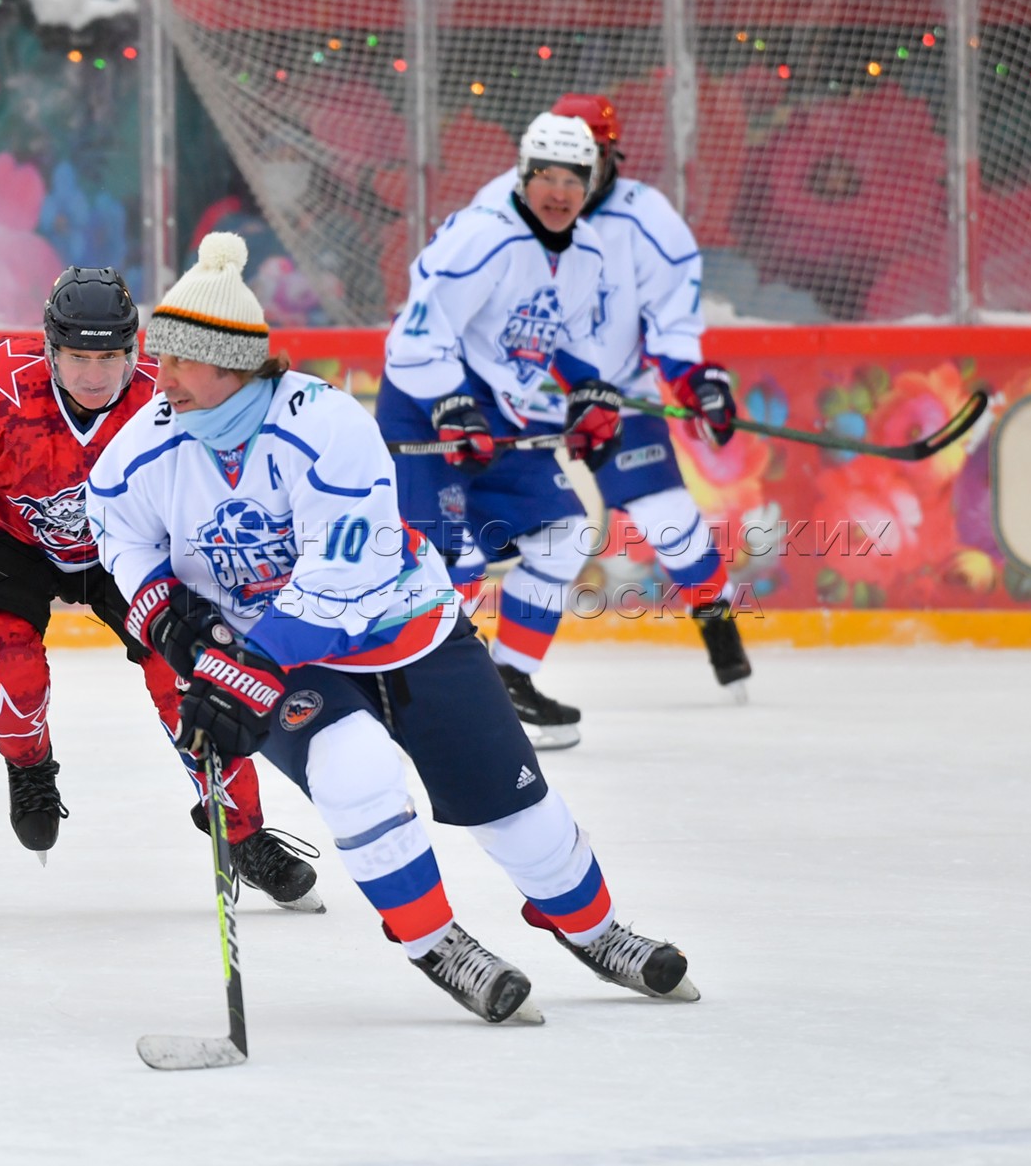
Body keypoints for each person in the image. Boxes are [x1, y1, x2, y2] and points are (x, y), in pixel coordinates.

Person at [87, 231, 697, 1024]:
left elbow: (340, 578)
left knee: (515, 813)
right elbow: (119, 537)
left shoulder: (326, 424)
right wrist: (170, 621)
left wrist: (240, 671)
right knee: (356, 774)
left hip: (401, 625)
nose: (157, 379)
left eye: (176, 361)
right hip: (283, 658)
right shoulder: (143, 450)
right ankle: (437, 942)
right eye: (156, 358)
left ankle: (591, 928)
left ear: (231, 364)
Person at [0, 266, 322, 911]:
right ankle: (29, 765)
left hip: (131, 546)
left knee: (190, 677)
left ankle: (240, 828)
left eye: (109, 357)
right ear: (51, 349)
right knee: (8, 671)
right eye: (79, 357)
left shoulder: (169, 400)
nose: (94, 375)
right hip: (10, 541)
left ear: (135, 351)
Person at [472, 93, 752, 701]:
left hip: (614, 395)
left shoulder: (647, 218)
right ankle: (500, 676)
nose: (566, 181)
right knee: (514, 540)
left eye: (586, 161)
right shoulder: (496, 208)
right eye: (550, 167)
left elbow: (671, 319)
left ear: (610, 156)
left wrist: (694, 379)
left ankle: (717, 618)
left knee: (668, 521)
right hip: (521, 402)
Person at [375, 111, 625, 750]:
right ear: (523, 174)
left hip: (503, 415)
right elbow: (412, 342)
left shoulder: (588, 250)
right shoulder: (486, 238)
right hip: (429, 408)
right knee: (453, 559)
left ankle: (509, 680)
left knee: (566, 536)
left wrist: (589, 391)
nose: (560, 191)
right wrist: (452, 406)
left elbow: (563, 338)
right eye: (547, 174)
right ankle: (433, 698)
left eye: (575, 177)